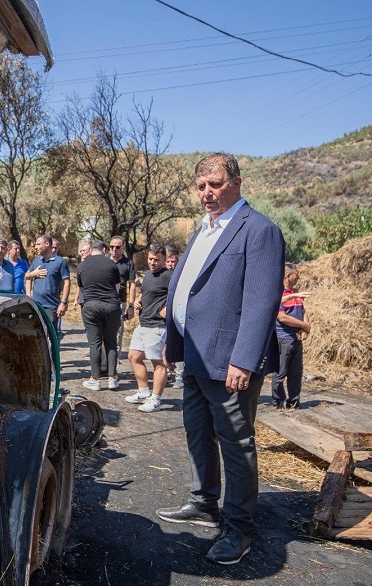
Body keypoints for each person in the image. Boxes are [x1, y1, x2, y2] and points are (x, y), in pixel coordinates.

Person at [157, 153, 285, 566]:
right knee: (197, 433)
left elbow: (262, 301)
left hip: (228, 360)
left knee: (236, 444)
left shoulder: (259, 230)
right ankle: (204, 501)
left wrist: (244, 360)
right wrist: (171, 341)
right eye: (200, 186)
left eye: (214, 184)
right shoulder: (205, 230)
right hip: (194, 355)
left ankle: (239, 526)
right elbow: (188, 290)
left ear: (237, 183)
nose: (206, 193)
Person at [124, 244, 171, 412]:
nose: (152, 262)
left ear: (164, 260)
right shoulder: (149, 275)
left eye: (156, 260)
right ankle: (143, 392)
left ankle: (156, 398)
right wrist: (139, 301)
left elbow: (181, 296)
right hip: (143, 323)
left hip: (157, 326)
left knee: (158, 363)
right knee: (134, 356)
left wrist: (167, 310)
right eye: (150, 259)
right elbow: (147, 293)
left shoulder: (169, 276)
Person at [76, 240, 121, 390]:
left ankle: (95, 380)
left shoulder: (82, 266)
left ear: (91, 250)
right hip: (111, 305)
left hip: (91, 305)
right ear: (104, 249)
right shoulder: (111, 264)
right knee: (111, 341)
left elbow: (82, 288)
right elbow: (117, 287)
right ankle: (112, 378)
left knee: (94, 343)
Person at [270, 263, 311, 410]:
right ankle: (278, 402)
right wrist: (303, 325)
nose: (298, 277)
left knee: (295, 372)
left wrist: (305, 327)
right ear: (288, 276)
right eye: (296, 275)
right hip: (283, 338)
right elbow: (282, 317)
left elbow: (304, 311)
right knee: (280, 373)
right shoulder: (279, 294)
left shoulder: (296, 295)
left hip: (296, 339)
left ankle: (294, 401)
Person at [26, 235, 70, 339]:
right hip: (35, 305)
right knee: (36, 336)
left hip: (51, 307)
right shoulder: (37, 261)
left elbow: (67, 282)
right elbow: (27, 277)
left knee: (51, 338)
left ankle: (54, 355)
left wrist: (63, 303)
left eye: (38, 244)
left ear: (47, 244)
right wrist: (28, 295)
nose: (35, 247)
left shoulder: (60, 262)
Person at [109, 235, 136, 368]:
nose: (114, 249)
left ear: (123, 248)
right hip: (103, 301)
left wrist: (131, 305)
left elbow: (132, 284)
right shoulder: (104, 261)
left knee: (118, 332)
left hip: (120, 301)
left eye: (117, 247)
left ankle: (114, 364)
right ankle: (104, 364)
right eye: (111, 247)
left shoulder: (128, 263)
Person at [165, 244, 184, 389]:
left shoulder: (182, 275)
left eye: (173, 262)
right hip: (160, 318)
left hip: (175, 315)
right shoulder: (161, 275)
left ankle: (179, 376)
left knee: (177, 345)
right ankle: (166, 372)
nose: (171, 265)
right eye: (168, 262)